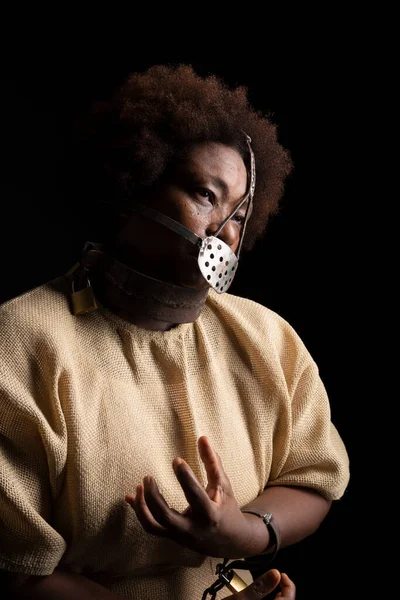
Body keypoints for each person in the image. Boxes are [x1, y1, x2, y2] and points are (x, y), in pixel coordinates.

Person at [0, 64, 349, 599]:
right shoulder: (21, 342)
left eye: (238, 213)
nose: (221, 232)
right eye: (206, 196)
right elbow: (19, 572)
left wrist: (248, 532)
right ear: (133, 185)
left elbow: (313, 478)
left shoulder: (266, 337)